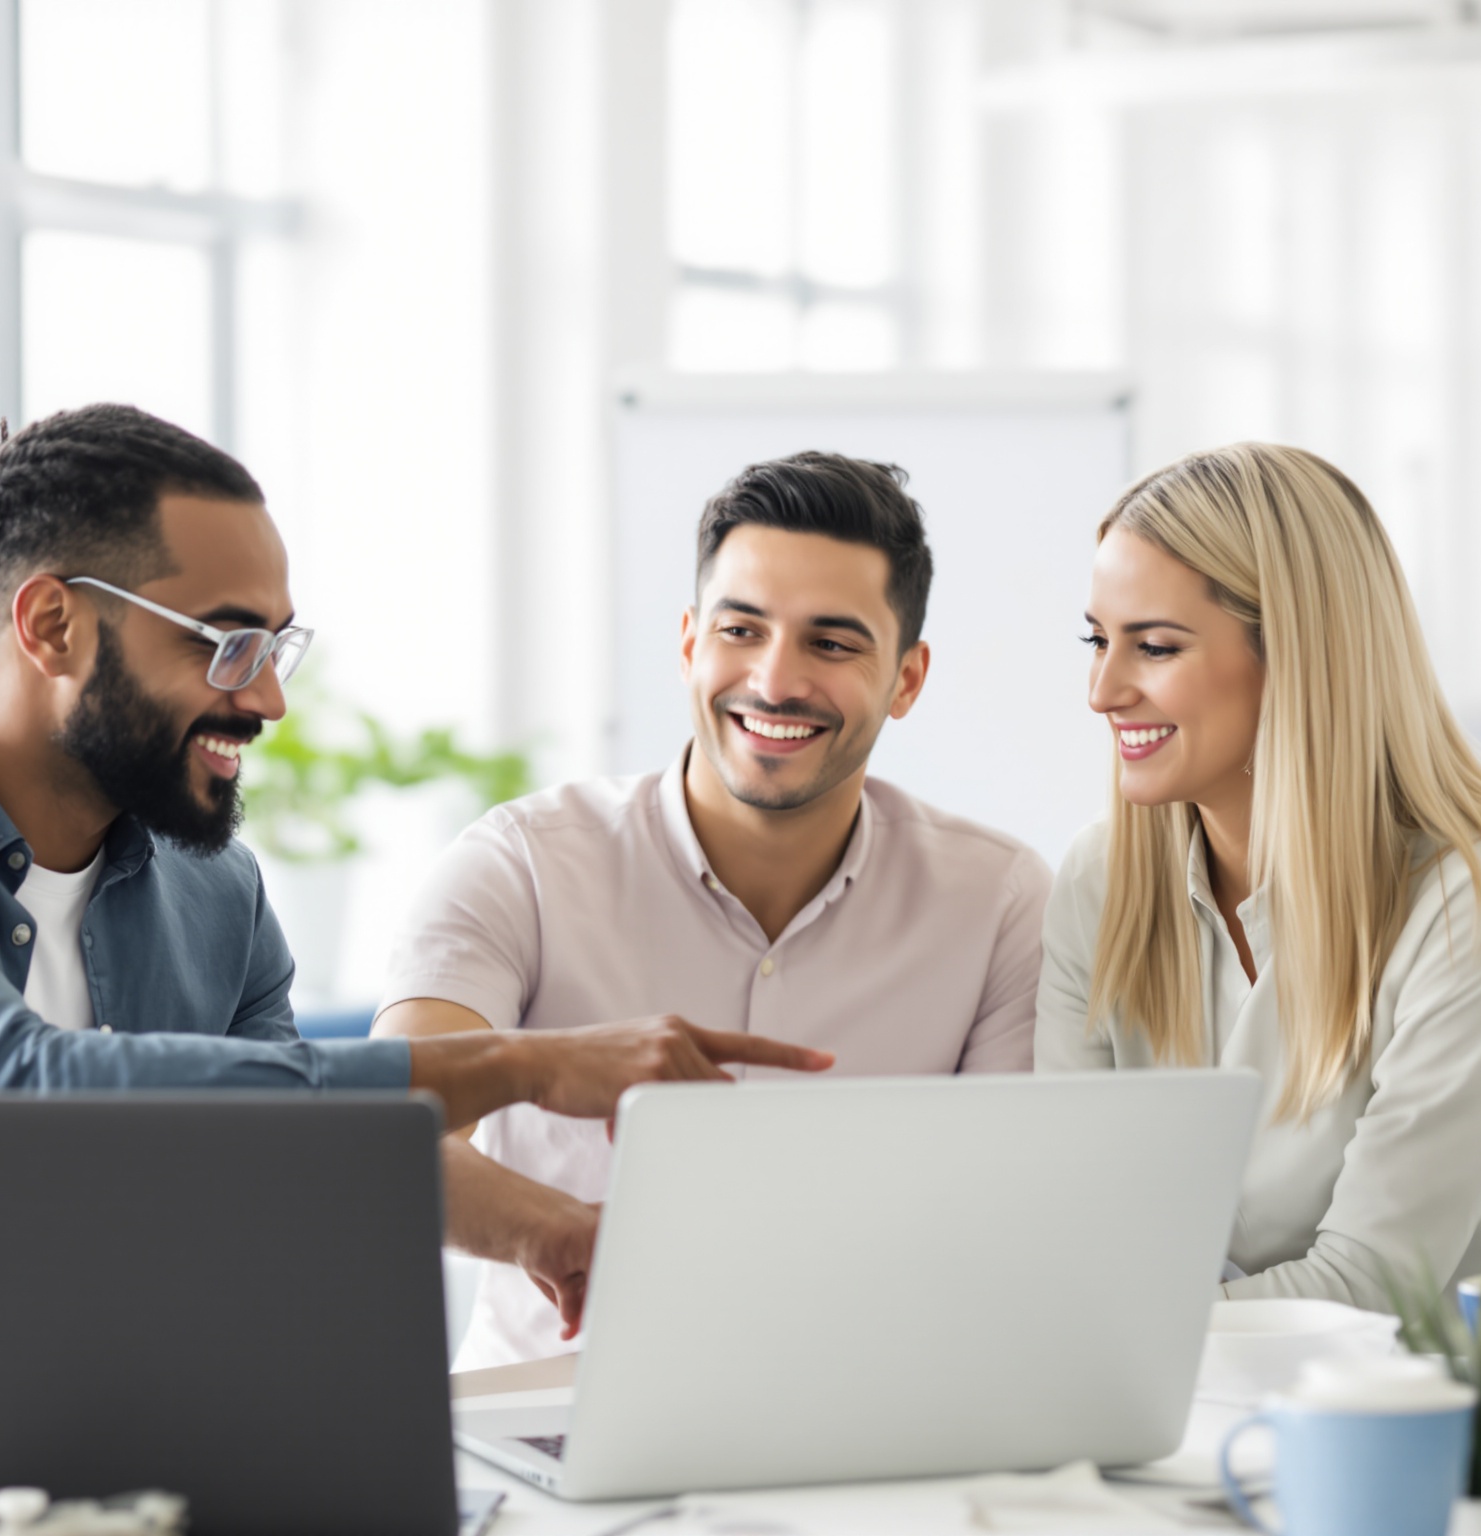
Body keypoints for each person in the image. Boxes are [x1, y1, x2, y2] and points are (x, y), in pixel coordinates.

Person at [0, 406, 830, 1434]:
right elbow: (10, 1096)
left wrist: (549, 1230)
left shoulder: (208, 884)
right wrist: (521, 1063)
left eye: (278, 646)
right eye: (224, 647)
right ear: (52, 623)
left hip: (22, 1434)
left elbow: (288, 1137)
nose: (267, 699)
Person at [375, 451, 1055, 1370]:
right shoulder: (520, 865)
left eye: (833, 642)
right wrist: (559, 1226)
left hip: (861, 1420)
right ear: (691, 641)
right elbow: (376, 1137)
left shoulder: (1000, 900)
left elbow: (1009, 1214)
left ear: (907, 678)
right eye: (743, 629)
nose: (775, 681)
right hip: (548, 1426)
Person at [1038, 442, 1481, 1355]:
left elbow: (1365, 1288)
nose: (1103, 690)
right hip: (1272, 1406)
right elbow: (1076, 1226)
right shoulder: (1099, 882)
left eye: (1154, 646)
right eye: (1096, 640)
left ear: (1299, 657)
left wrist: (1075, 1334)